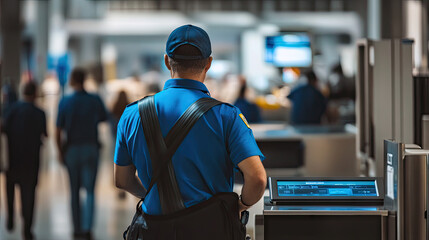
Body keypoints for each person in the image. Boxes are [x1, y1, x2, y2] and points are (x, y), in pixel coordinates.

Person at [114, 24, 266, 231]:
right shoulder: (226, 116)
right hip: (211, 229)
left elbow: (122, 180)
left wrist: (153, 196)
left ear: (167, 61)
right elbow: (257, 178)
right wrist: (240, 206)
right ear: (208, 63)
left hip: (156, 230)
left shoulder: (132, 114)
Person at [56, 68, 107, 240]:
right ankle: (87, 229)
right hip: (91, 148)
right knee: (90, 191)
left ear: (72, 80)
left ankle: (76, 229)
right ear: (85, 79)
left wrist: (59, 150)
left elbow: (58, 129)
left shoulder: (65, 101)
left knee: (74, 191)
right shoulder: (94, 99)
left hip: (72, 149)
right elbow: (103, 118)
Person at [2, 81, 47, 240]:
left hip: (12, 159)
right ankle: (27, 229)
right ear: (35, 93)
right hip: (31, 161)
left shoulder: (11, 110)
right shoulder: (40, 113)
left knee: (9, 190)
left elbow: (3, 129)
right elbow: (44, 134)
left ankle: (10, 217)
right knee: (29, 196)